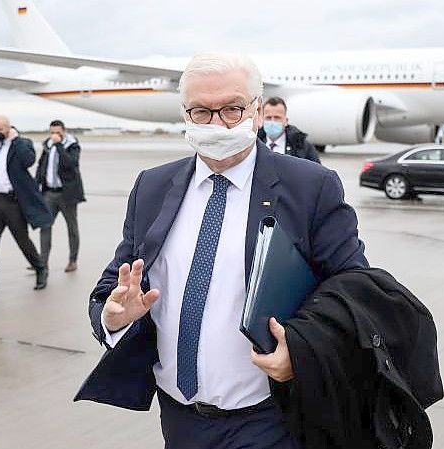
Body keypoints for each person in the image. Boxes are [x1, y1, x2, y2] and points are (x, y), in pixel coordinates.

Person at [74, 53, 370, 448]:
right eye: (200, 111)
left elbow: (353, 292)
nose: (216, 124)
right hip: (178, 416)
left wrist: (301, 353)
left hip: (269, 417)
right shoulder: (152, 186)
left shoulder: (310, 187)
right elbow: (115, 283)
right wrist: (114, 318)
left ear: (258, 110)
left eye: (231, 109)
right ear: (185, 113)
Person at [0, 115, 51, 298]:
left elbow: (28, 160)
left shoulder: (22, 143)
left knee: (23, 241)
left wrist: (16, 139)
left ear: (8, 128)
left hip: (13, 202)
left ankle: (40, 268)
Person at [35, 119, 85, 273]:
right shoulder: (47, 146)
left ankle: (72, 260)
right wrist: (35, 186)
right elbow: (41, 166)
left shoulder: (72, 145)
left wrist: (58, 145)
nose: (54, 135)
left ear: (64, 131)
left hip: (66, 194)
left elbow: (70, 164)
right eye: (52, 133)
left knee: (72, 228)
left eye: (57, 132)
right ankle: (43, 262)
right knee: (45, 226)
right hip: (49, 192)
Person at [257, 96, 321, 163]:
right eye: (268, 118)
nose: (272, 122)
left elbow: (317, 171)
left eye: (277, 117)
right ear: (262, 119)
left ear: (286, 121)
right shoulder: (254, 144)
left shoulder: (303, 147)